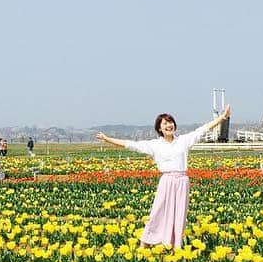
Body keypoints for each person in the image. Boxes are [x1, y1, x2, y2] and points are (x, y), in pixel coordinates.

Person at [96, 106, 230, 249]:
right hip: (167, 181)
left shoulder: (183, 141)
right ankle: (145, 242)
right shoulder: (154, 145)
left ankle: (174, 245)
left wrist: (221, 118)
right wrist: (108, 139)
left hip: (182, 182)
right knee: (157, 212)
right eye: (165, 123)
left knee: (179, 215)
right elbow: (131, 145)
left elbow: (203, 130)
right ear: (160, 128)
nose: (169, 125)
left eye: (170, 122)